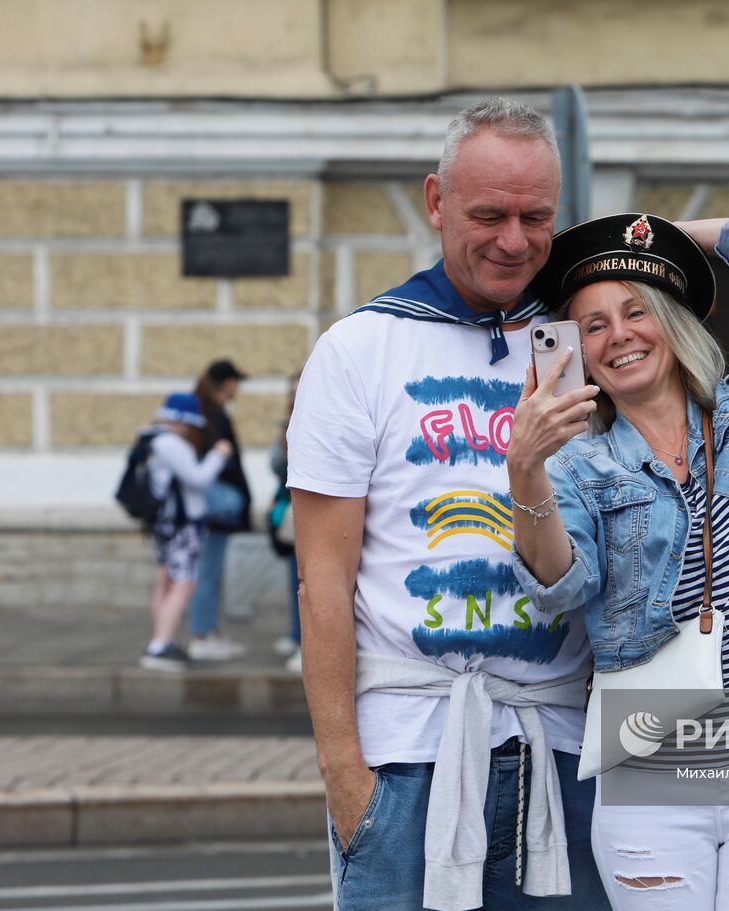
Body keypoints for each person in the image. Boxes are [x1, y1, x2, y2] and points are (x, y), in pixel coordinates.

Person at [288, 98, 603, 910]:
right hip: (406, 763)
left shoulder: (579, 347)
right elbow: (322, 579)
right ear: (436, 201)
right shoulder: (360, 349)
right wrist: (344, 778)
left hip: (557, 754)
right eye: (488, 213)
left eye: (537, 217)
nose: (513, 239)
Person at [509, 207, 729, 910]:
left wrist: (648, 233)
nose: (619, 337)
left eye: (636, 310)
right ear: (576, 350)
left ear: (671, 319)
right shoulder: (580, 464)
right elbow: (560, 585)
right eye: (594, 325)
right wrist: (526, 469)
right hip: (651, 784)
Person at [141, 392, 234, 671]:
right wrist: (219, 455)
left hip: (164, 523)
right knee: (184, 582)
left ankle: (161, 640)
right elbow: (197, 478)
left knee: (166, 581)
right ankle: (160, 645)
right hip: (182, 525)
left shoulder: (150, 439)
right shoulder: (171, 444)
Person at [188, 358, 252, 662]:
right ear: (226, 383)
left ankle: (210, 632)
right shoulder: (214, 416)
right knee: (208, 571)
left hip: (208, 508)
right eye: (235, 381)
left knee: (208, 570)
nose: (237, 387)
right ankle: (202, 635)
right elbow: (226, 465)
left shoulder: (201, 412)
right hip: (215, 510)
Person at [271, 370, 302, 672]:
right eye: (291, 389)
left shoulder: (318, 417)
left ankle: (307, 645)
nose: (295, 394)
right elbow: (277, 465)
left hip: (311, 511)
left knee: (312, 579)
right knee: (297, 578)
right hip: (292, 509)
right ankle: (297, 636)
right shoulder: (288, 423)